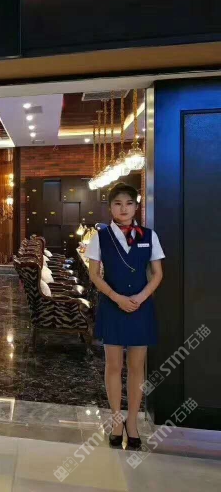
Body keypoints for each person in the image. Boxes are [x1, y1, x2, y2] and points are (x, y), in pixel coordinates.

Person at [86, 183, 164, 449]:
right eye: (118, 203)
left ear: (136, 206)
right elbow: (94, 275)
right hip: (112, 305)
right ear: (110, 207)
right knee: (113, 365)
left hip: (141, 307)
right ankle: (116, 420)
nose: (123, 208)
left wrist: (140, 298)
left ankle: (132, 422)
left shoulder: (149, 236)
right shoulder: (100, 237)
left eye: (129, 203)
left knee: (136, 366)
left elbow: (158, 274)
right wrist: (117, 297)